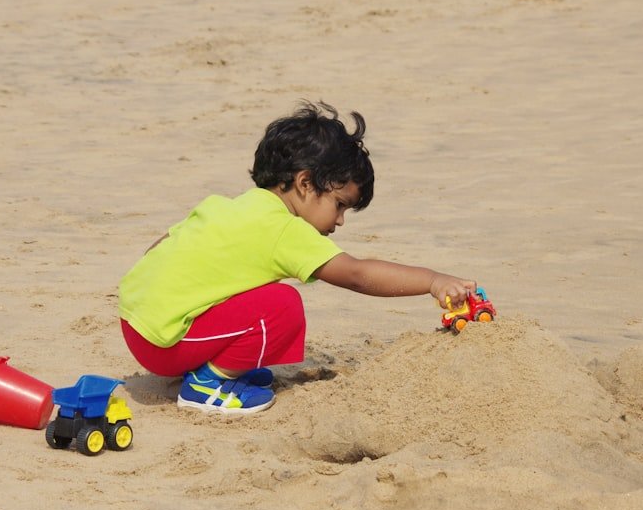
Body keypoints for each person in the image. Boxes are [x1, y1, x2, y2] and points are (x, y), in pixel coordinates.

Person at [119, 101, 477, 415]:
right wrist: (432, 281)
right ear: (305, 184)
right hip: (163, 346)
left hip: (136, 323)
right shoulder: (283, 229)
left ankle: (213, 362)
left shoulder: (230, 205)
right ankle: (206, 385)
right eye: (339, 205)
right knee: (281, 305)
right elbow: (355, 273)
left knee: (238, 288)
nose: (338, 221)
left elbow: (162, 245)